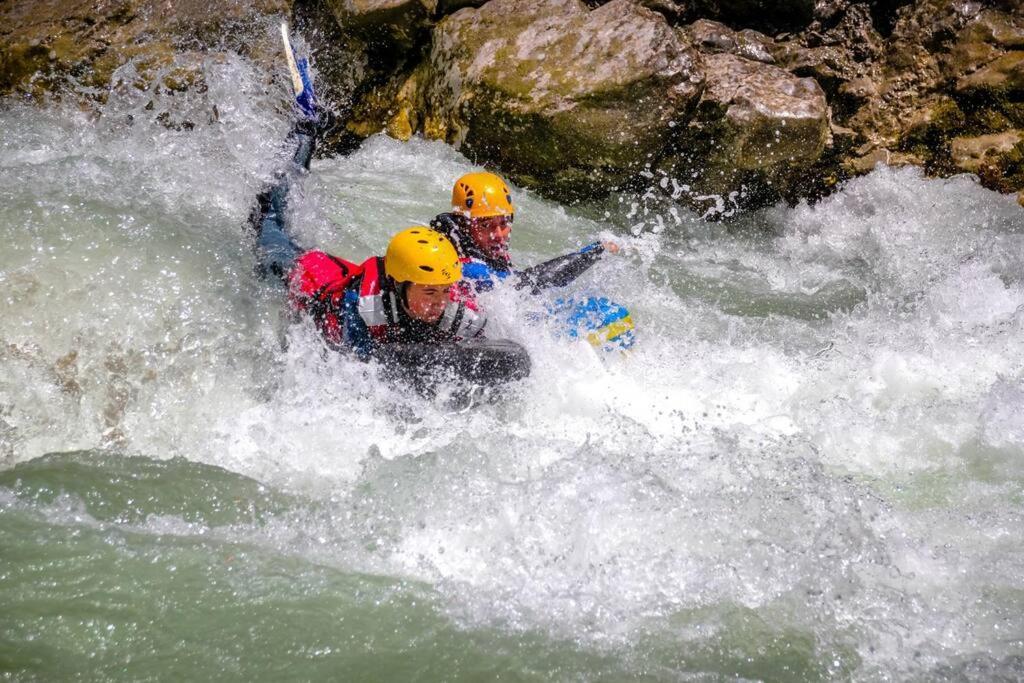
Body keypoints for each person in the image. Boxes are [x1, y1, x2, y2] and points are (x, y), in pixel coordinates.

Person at [248, 124, 528, 386]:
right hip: (308, 277)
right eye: (430, 293)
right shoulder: (363, 309)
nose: (440, 303)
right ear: (399, 286)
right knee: (269, 222)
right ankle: (301, 138)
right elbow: (354, 371)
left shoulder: (450, 308)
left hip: (346, 276)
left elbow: (506, 353)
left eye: (444, 291)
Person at [429, 172, 635, 349]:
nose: (499, 235)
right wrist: (594, 251)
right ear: (464, 225)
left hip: (505, 328)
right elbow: (531, 283)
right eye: (486, 226)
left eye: (504, 222)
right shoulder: (463, 266)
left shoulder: (480, 249)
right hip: (484, 347)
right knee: (610, 316)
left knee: (604, 309)